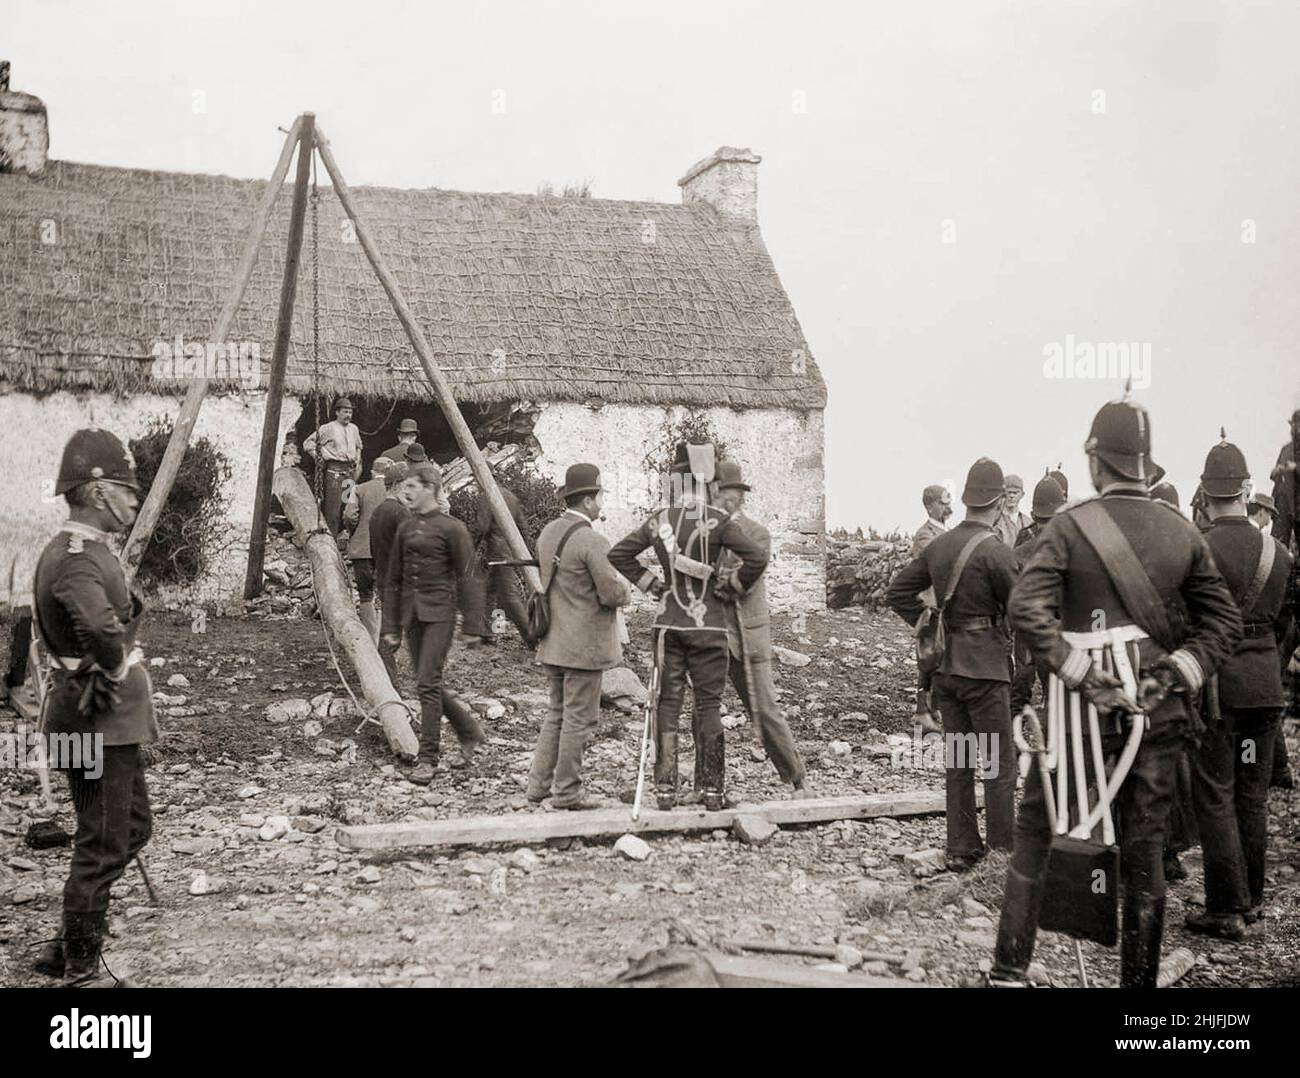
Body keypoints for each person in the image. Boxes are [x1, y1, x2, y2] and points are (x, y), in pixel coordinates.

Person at [991, 394, 1241, 988]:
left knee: (1036, 832)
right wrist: (1177, 669)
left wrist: (1078, 672)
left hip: (1076, 712)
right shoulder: (1182, 531)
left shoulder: (1072, 526)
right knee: (1145, 846)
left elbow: (1026, 609)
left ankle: (1006, 972)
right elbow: (1223, 623)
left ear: (1096, 463)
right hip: (1157, 710)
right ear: (1146, 466)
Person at [31, 428, 158, 986]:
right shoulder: (77, 556)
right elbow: (105, 635)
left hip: (96, 720)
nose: (134, 499)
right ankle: (80, 965)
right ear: (99, 490)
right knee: (103, 840)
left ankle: (65, 946)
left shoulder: (85, 549)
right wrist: (114, 666)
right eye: (127, 490)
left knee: (129, 828)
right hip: (93, 719)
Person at [608, 442, 768, 811]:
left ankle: (665, 792)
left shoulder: (658, 520)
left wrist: (651, 584)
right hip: (710, 626)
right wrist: (733, 586)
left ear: (675, 486)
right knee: (709, 705)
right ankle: (713, 792)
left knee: (668, 705)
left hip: (668, 624)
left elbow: (617, 553)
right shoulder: (720, 520)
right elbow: (757, 556)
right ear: (704, 483)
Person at [887, 458, 1020, 872]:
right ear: (999, 504)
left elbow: (898, 592)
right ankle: (1000, 857)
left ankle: (962, 848)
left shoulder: (939, 546)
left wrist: (928, 623)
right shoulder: (997, 552)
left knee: (960, 760)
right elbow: (1022, 609)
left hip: (946, 671)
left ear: (965, 502)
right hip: (986, 671)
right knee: (998, 764)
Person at [1188, 434, 1294, 938]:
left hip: (1219, 697)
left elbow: (1184, 622)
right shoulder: (1279, 554)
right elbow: (1288, 624)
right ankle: (1252, 901)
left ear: (1206, 494)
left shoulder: (1200, 550)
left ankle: (1225, 908)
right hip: (1265, 693)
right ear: (1247, 490)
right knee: (1252, 794)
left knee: (1215, 795)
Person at [525, 464, 630, 809]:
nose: (601, 503)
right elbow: (611, 593)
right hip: (584, 647)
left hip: (553, 641)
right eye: (599, 496)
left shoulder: (548, 533)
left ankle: (538, 787)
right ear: (587, 501)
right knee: (579, 719)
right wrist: (626, 588)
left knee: (557, 713)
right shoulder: (593, 540)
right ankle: (567, 792)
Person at [711, 460, 811, 798]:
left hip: (747, 635)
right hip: (710, 635)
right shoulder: (702, 532)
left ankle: (797, 779)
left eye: (731, 493)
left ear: (739, 497)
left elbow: (740, 580)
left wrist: (717, 580)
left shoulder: (756, 534)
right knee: (705, 711)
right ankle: (708, 785)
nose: (725, 499)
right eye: (720, 492)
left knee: (764, 707)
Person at [380, 463, 485, 785]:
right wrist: (391, 625)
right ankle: (469, 731)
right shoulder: (406, 527)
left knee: (427, 682)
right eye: (404, 486)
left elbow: (468, 578)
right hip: (412, 616)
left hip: (440, 614)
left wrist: (473, 625)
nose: (406, 492)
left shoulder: (452, 528)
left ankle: (428, 759)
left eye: (412, 486)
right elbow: (393, 579)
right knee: (429, 683)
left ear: (431, 488)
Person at [1009, 473, 1068, 712]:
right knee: (1030, 677)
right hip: (1049, 625)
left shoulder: (1023, 549)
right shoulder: (1070, 543)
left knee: (1033, 677)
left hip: (1033, 624)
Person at [462, 477, 534, 647]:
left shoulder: (487, 496)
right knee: (491, 591)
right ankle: (490, 632)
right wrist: (522, 553)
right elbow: (523, 526)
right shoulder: (510, 496)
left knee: (509, 596)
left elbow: (482, 527)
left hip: (497, 551)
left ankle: (532, 637)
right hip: (508, 550)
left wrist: (469, 548)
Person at [911, 484, 953, 734]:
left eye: (948, 502)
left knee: (941, 656)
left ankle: (933, 708)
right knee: (929, 657)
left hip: (943, 604)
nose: (947, 507)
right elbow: (938, 564)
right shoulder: (924, 535)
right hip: (931, 605)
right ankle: (922, 712)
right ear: (929, 506)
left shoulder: (945, 532)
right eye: (942, 503)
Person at [342, 457, 394, 641]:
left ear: (372, 472)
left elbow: (349, 516)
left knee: (365, 596)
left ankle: (370, 640)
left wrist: (355, 533)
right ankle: (386, 641)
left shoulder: (358, 488)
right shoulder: (393, 491)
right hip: (387, 551)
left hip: (362, 550)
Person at [368, 460, 410, 681]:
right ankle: (387, 684)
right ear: (397, 485)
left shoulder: (376, 513)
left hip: (385, 579)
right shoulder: (401, 514)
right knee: (391, 637)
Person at [302, 398, 362, 535]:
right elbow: (308, 443)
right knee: (333, 510)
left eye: (350, 412)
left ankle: (345, 543)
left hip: (349, 474)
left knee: (348, 507)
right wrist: (318, 456)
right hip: (334, 473)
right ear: (337, 412)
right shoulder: (328, 428)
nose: (348, 415)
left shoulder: (354, 429)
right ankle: (331, 542)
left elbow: (359, 447)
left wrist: (358, 460)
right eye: (345, 412)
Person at [994, 474, 1032, 547]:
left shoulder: (1028, 522)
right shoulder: (995, 521)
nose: (1011, 496)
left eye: (1015, 493)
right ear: (1002, 494)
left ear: (1022, 495)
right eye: (1009, 492)